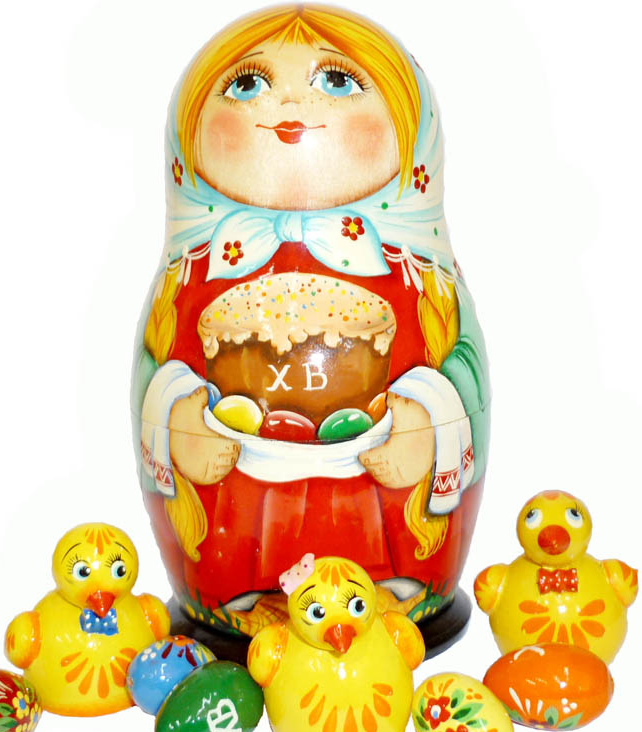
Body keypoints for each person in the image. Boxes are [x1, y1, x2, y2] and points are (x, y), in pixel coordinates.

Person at [132, 4, 489, 634]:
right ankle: (238, 602)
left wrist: (430, 417)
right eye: (247, 84)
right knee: (240, 548)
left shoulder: (414, 268)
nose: (292, 104)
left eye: (339, 81)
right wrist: (179, 411)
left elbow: (454, 354)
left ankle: (394, 600)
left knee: (377, 547)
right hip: (243, 503)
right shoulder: (196, 267)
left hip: (376, 496)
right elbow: (167, 357)